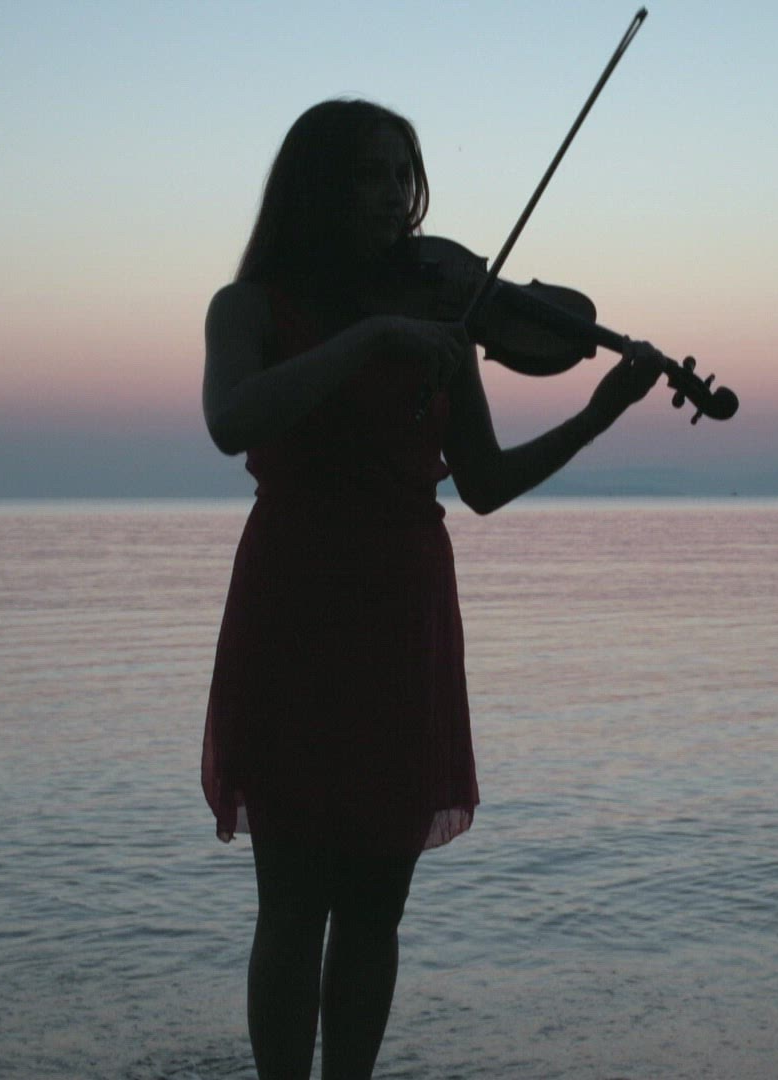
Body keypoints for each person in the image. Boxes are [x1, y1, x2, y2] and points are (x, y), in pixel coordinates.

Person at [199, 98, 664, 1080]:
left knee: (376, 905)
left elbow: (483, 483)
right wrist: (371, 340)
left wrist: (598, 416)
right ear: (317, 188)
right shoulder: (250, 309)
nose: (394, 199)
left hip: (402, 613)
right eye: (369, 175)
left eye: (400, 177)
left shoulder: (443, 314)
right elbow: (233, 418)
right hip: (294, 605)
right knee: (292, 904)